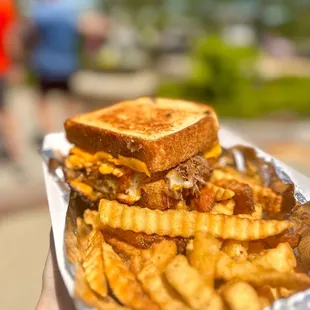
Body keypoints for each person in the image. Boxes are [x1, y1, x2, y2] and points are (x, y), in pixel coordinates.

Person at [26, 0, 107, 140]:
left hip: (45, 63)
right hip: (67, 64)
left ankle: (48, 133)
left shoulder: (40, 12)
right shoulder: (70, 11)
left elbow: (29, 35)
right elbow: (91, 31)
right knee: (69, 101)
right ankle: (71, 131)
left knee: (43, 101)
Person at [0, 0, 21, 162]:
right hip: (2, 65)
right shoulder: (6, 4)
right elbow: (12, 37)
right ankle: (14, 151)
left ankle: (13, 151)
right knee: (5, 110)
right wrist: (16, 63)